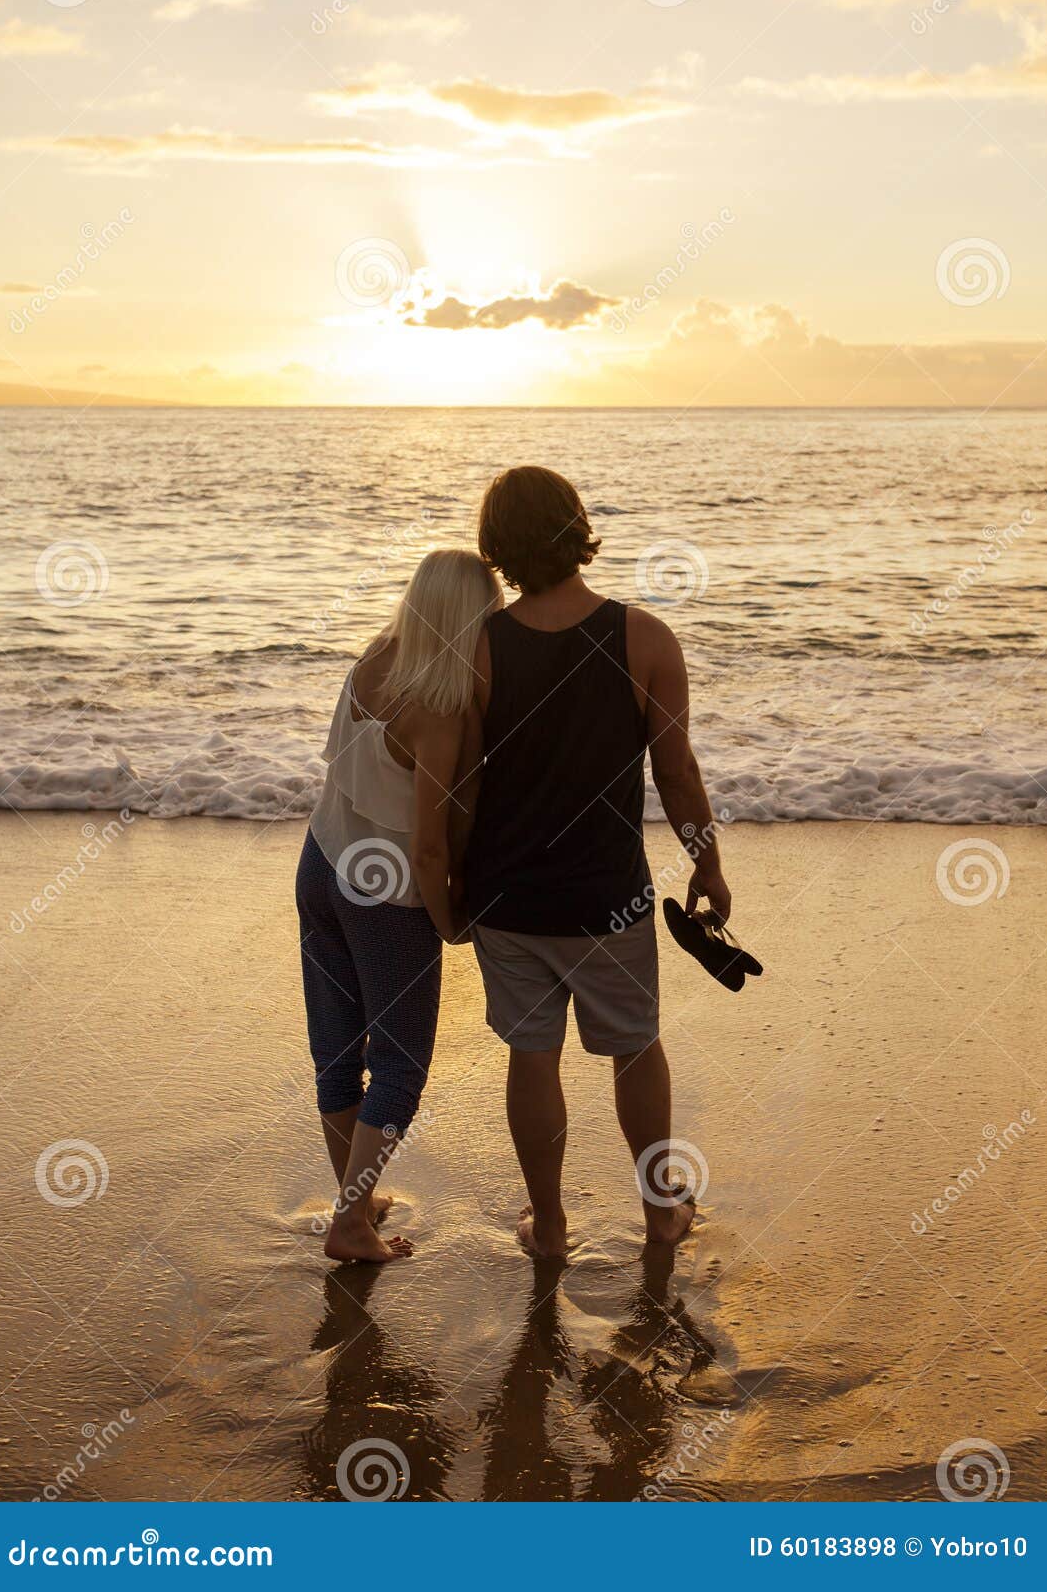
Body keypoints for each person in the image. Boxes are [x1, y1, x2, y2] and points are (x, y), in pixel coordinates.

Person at [464, 467, 731, 1258]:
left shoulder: (477, 646)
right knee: (635, 1048)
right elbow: (676, 774)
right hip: (606, 897)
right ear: (576, 527)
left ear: (498, 547)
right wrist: (705, 866)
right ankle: (657, 1216)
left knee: (531, 1055)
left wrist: (445, 880)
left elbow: (456, 782)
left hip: (506, 896)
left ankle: (547, 1226)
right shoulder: (642, 636)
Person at [296, 549, 501, 1264]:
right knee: (401, 1064)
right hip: (380, 892)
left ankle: (355, 1196)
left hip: (319, 864)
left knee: (336, 1048)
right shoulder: (439, 709)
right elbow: (429, 850)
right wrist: (448, 923)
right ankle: (351, 1226)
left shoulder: (373, 657)